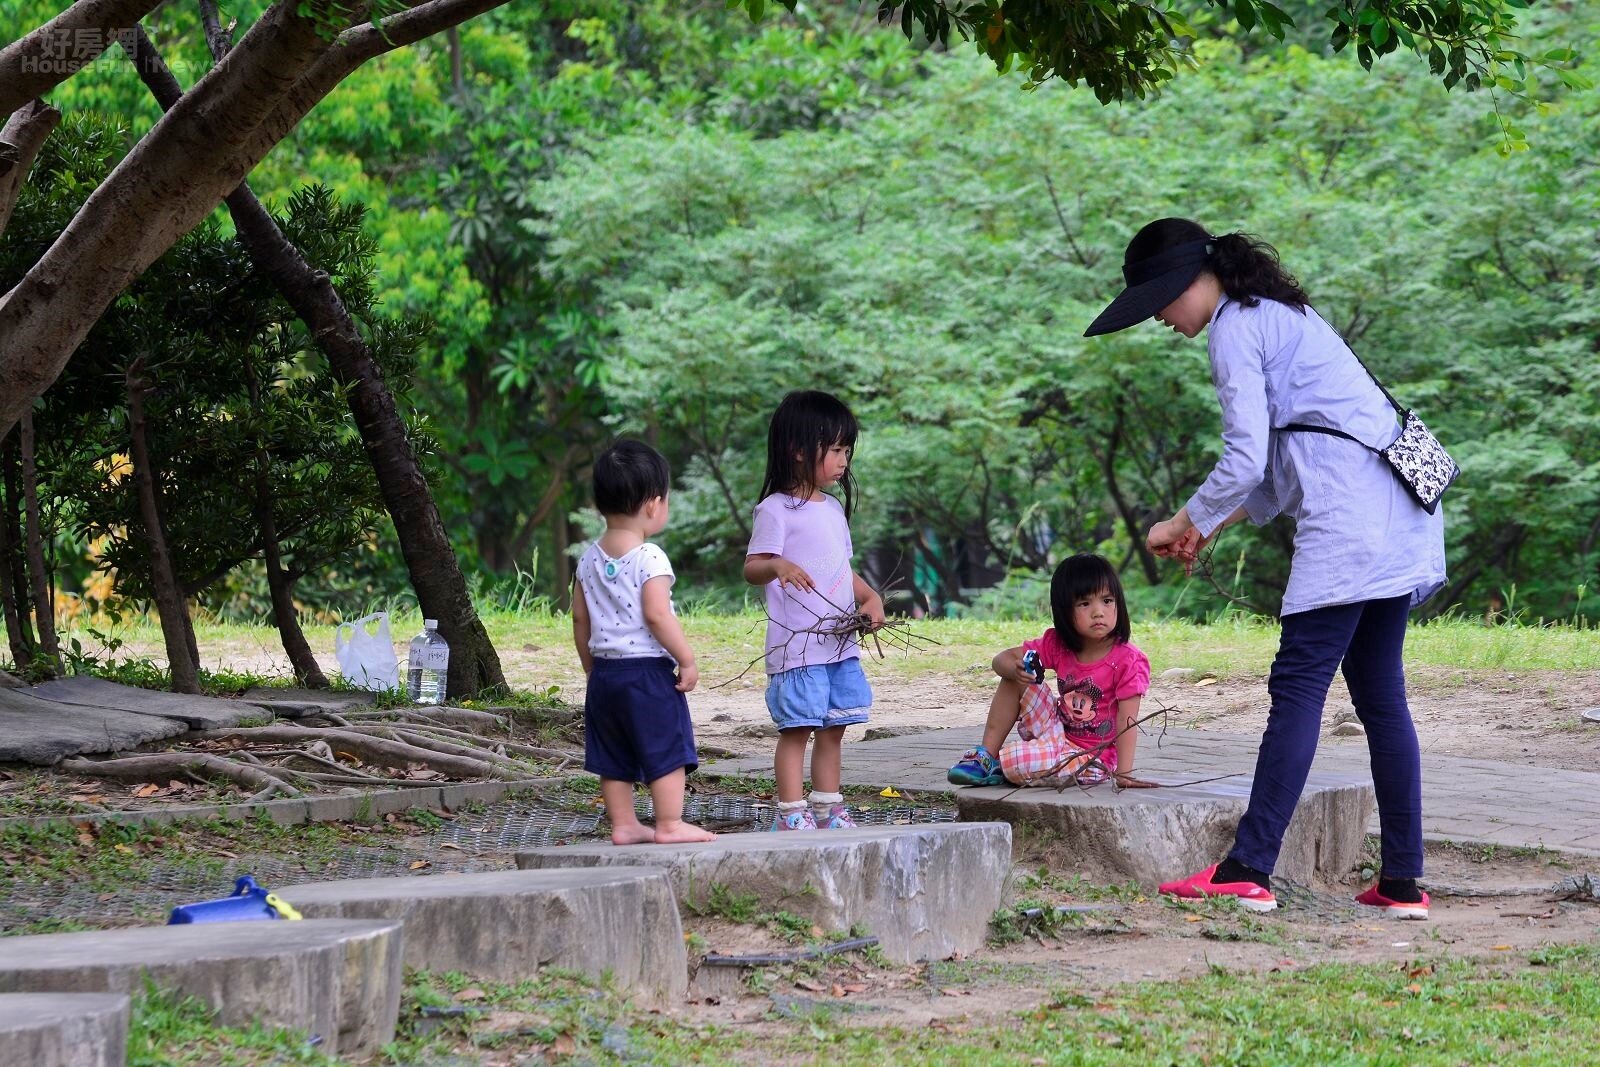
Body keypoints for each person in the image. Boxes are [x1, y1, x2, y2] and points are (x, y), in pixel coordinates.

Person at [1085, 217, 1446, 917]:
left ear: (1191, 281)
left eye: (1158, 302)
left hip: (1352, 519)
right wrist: (1207, 525)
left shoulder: (1234, 327)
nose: (1158, 318)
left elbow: (1246, 459)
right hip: (1401, 510)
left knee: (1299, 683)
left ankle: (1248, 867)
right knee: (1380, 695)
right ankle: (1403, 882)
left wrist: (1180, 520)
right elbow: (1276, 478)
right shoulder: (1279, 314)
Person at [744, 390, 886, 831]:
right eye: (836, 450)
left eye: (847, 450)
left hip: (838, 644)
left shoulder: (833, 510)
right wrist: (778, 565)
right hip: (799, 648)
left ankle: (827, 809)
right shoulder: (775, 510)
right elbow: (752, 568)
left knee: (833, 728)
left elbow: (840, 569)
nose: (844, 461)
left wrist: (870, 597)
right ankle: (790, 812)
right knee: (797, 729)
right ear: (800, 450)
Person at [572, 439, 714, 845]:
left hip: (605, 675)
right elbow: (657, 614)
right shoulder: (649, 556)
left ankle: (624, 824)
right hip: (647, 674)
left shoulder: (587, 559)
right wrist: (687, 658)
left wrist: (591, 668)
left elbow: (580, 619)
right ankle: (669, 823)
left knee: (613, 753)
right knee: (665, 746)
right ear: (654, 505)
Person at [947, 554, 1154, 789]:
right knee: (1015, 676)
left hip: (1091, 758)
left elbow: (1127, 721)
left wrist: (1124, 774)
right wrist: (1014, 670)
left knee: (1016, 761)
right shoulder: (1058, 643)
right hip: (1056, 731)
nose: (1098, 612)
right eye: (1084, 603)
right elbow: (1001, 660)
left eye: (1107, 600)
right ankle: (986, 757)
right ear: (1064, 610)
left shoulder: (1128, 660)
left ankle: (1008, 764)